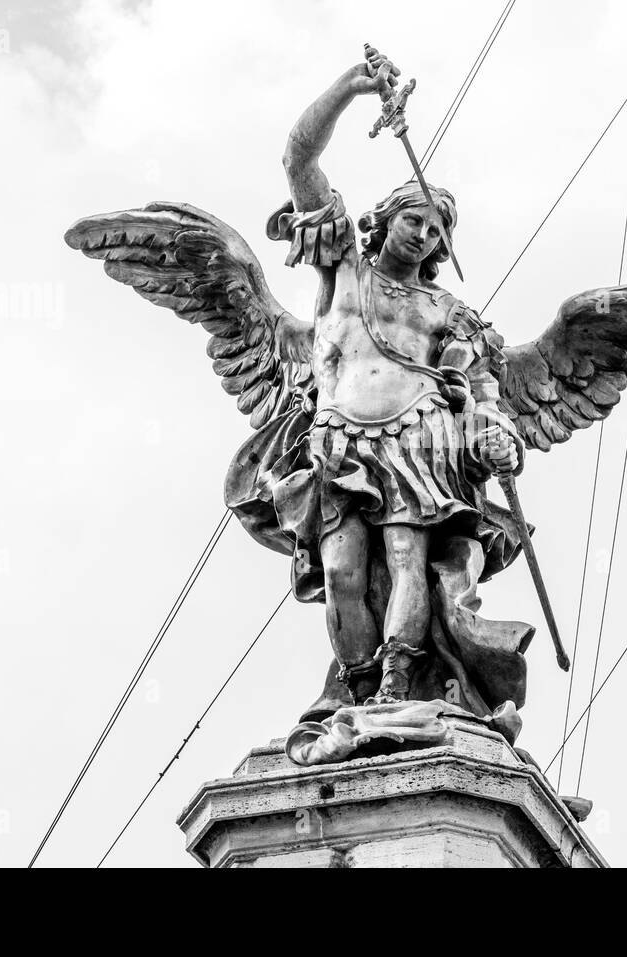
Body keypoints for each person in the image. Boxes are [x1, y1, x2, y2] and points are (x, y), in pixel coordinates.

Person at [227, 48, 533, 721]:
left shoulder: (447, 313)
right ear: (387, 217)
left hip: (419, 445)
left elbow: (480, 387)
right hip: (339, 443)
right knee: (341, 572)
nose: (424, 235)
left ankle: (396, 683)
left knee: (406, 556)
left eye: (436, 230)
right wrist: (350, 88)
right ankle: (359, 689)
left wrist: (495, 428)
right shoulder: (344, 267)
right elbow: (297, 160)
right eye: (414, 219)